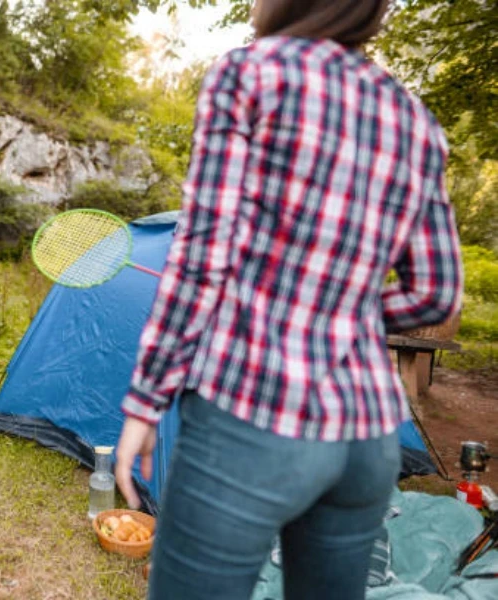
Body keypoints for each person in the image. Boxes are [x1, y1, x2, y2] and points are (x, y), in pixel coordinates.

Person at [114, 1, 464, 598]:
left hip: (250, 418)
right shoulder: (414, 118)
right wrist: (344, 314)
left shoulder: (250, 73)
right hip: (367, 437)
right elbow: (436, 293)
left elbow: (203, 255)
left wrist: (146, 401)